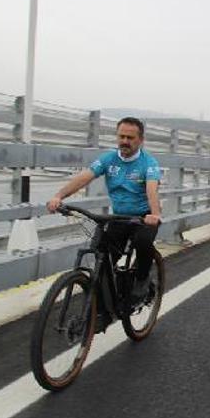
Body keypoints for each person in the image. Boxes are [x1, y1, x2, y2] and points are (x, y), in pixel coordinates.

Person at [47, 117, 161, 302]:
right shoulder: (109, 159)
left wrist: (154, 214)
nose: (125, 141)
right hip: (118, 216)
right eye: (121, 136)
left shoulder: (149, 163)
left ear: (140, 140)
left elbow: (151, 188)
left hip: (144, 217)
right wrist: (59, 196)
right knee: (102, 254)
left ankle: (141, 279)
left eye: (130, 138)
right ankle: (102, 306)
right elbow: (85, 177)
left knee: (143, 242)